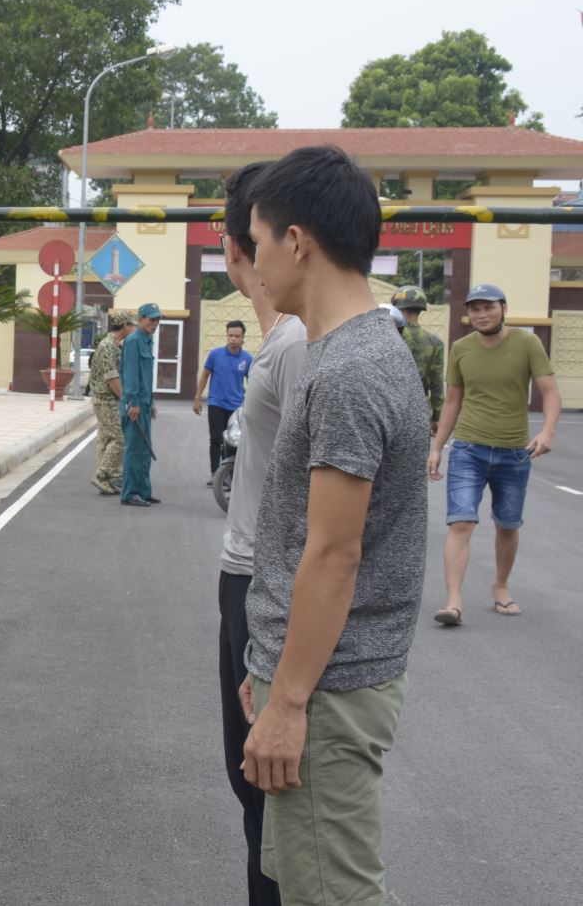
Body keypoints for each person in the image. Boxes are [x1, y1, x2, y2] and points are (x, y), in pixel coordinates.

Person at [239, 145, 429, 906]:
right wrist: (271, 665)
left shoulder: (350, 371)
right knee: (307, 882)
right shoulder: (351, 351)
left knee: (336, 893)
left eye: (257, 242)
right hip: (315, 675)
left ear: (297, 242)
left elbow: (333, 554)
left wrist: (289, 701)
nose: (253, 263)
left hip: (328, 691)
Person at [215, 161, 302, 906]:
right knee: (250, 788)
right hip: (244, 574)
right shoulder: (276, 340)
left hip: (267, 582)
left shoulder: (296, 343)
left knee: (270, 791)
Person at [427, 282, 560, 625]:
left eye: (489, 307)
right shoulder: (461, 349)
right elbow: (453, 401)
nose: (482, 314)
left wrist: (547, 431)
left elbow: (549, 391)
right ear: (468, 315)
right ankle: (454, 602)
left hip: (514, 452)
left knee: (508, 525)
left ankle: (500, 586)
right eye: (475, 309)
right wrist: (437, 447)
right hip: (468, 449)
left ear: (503, 309)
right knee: (461, 522)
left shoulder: (528, 344)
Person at [195, 319, 254, 481]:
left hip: (236, 407)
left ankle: (229, 475)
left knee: (233, 441)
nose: (233, 339)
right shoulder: (215, 355)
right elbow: (204, 376)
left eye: (237, 336)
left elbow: (253, 382)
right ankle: (215, 474)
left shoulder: (247, 359)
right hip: (216, 403)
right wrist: (197, 398)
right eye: (230, 335)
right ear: (226, 336)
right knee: (216, 439)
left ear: (243, 338)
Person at [119, 302, 162, 507]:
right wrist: (134, 403)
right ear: (141, 319)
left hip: (144, 404)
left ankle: (144, 491)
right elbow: (130, 375)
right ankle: (130, 493)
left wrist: (150, 403)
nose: (155, 323)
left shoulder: (147, 341)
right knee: (134, 451)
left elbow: (146, 377)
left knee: (144, 450)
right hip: (134, 405)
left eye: (157, 319)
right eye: (152, 319)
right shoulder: (134, 341)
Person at [88, 311, 134, 496]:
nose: (134, 328)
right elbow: (111, 377)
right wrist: (125, 399)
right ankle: (101, 475)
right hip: (106, 399)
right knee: (120, 438)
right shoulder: (108, 346)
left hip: (106, 399)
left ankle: (107, 481)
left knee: (106, 439)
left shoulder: (114, 344)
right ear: (125, 325)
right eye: (132, 324)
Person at [391, 285, 444, 435]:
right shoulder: (435, 342)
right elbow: (437, 384)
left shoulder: (388, 336)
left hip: (389, 406)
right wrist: (437, 417)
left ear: (396, 307)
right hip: (419, 409)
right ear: (421, 309)